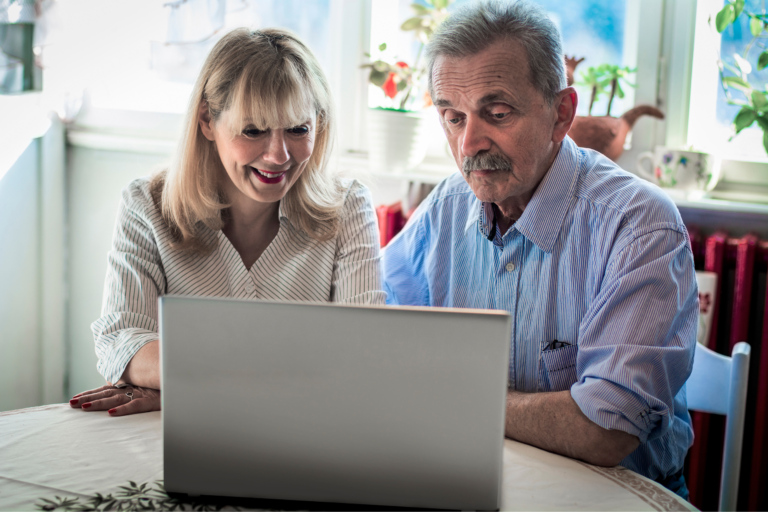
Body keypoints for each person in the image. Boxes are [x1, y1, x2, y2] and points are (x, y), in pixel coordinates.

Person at [382, 0, 696, 499]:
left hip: (615, 496)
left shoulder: (639, 226)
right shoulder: (446, 207)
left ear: (561, 113)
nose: (468, 144)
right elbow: (374, 333)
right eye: (452, 117)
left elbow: (606, 429)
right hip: (479, 479)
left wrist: (458, 398)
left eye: (497, 113)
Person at [70, 28, 386, 416]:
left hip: (303, 431)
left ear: (318, 124)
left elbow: (362, 354)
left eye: (298, 129)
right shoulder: (147, 204)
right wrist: (275, 376)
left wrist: (183, 383)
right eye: (253, 130)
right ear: (206, 120)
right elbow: (122, 341)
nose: (277, 155)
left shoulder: (348, 206)